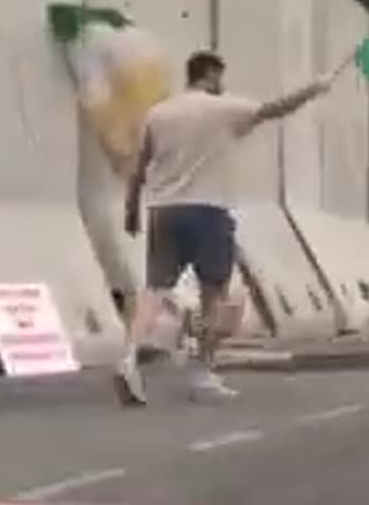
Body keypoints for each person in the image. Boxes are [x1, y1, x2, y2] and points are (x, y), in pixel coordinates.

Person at [114, 50, 337, 406]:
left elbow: (140, 167)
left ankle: (128, 357)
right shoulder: (223, 108)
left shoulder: (159, 113)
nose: (223, 84)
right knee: (213, 292)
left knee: (155, 288)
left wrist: (131, 211)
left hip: (163, 210)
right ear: (211, 75)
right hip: (208, 211)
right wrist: (315, 88)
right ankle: (203, 372)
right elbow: (275, 109)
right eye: (220, 77)